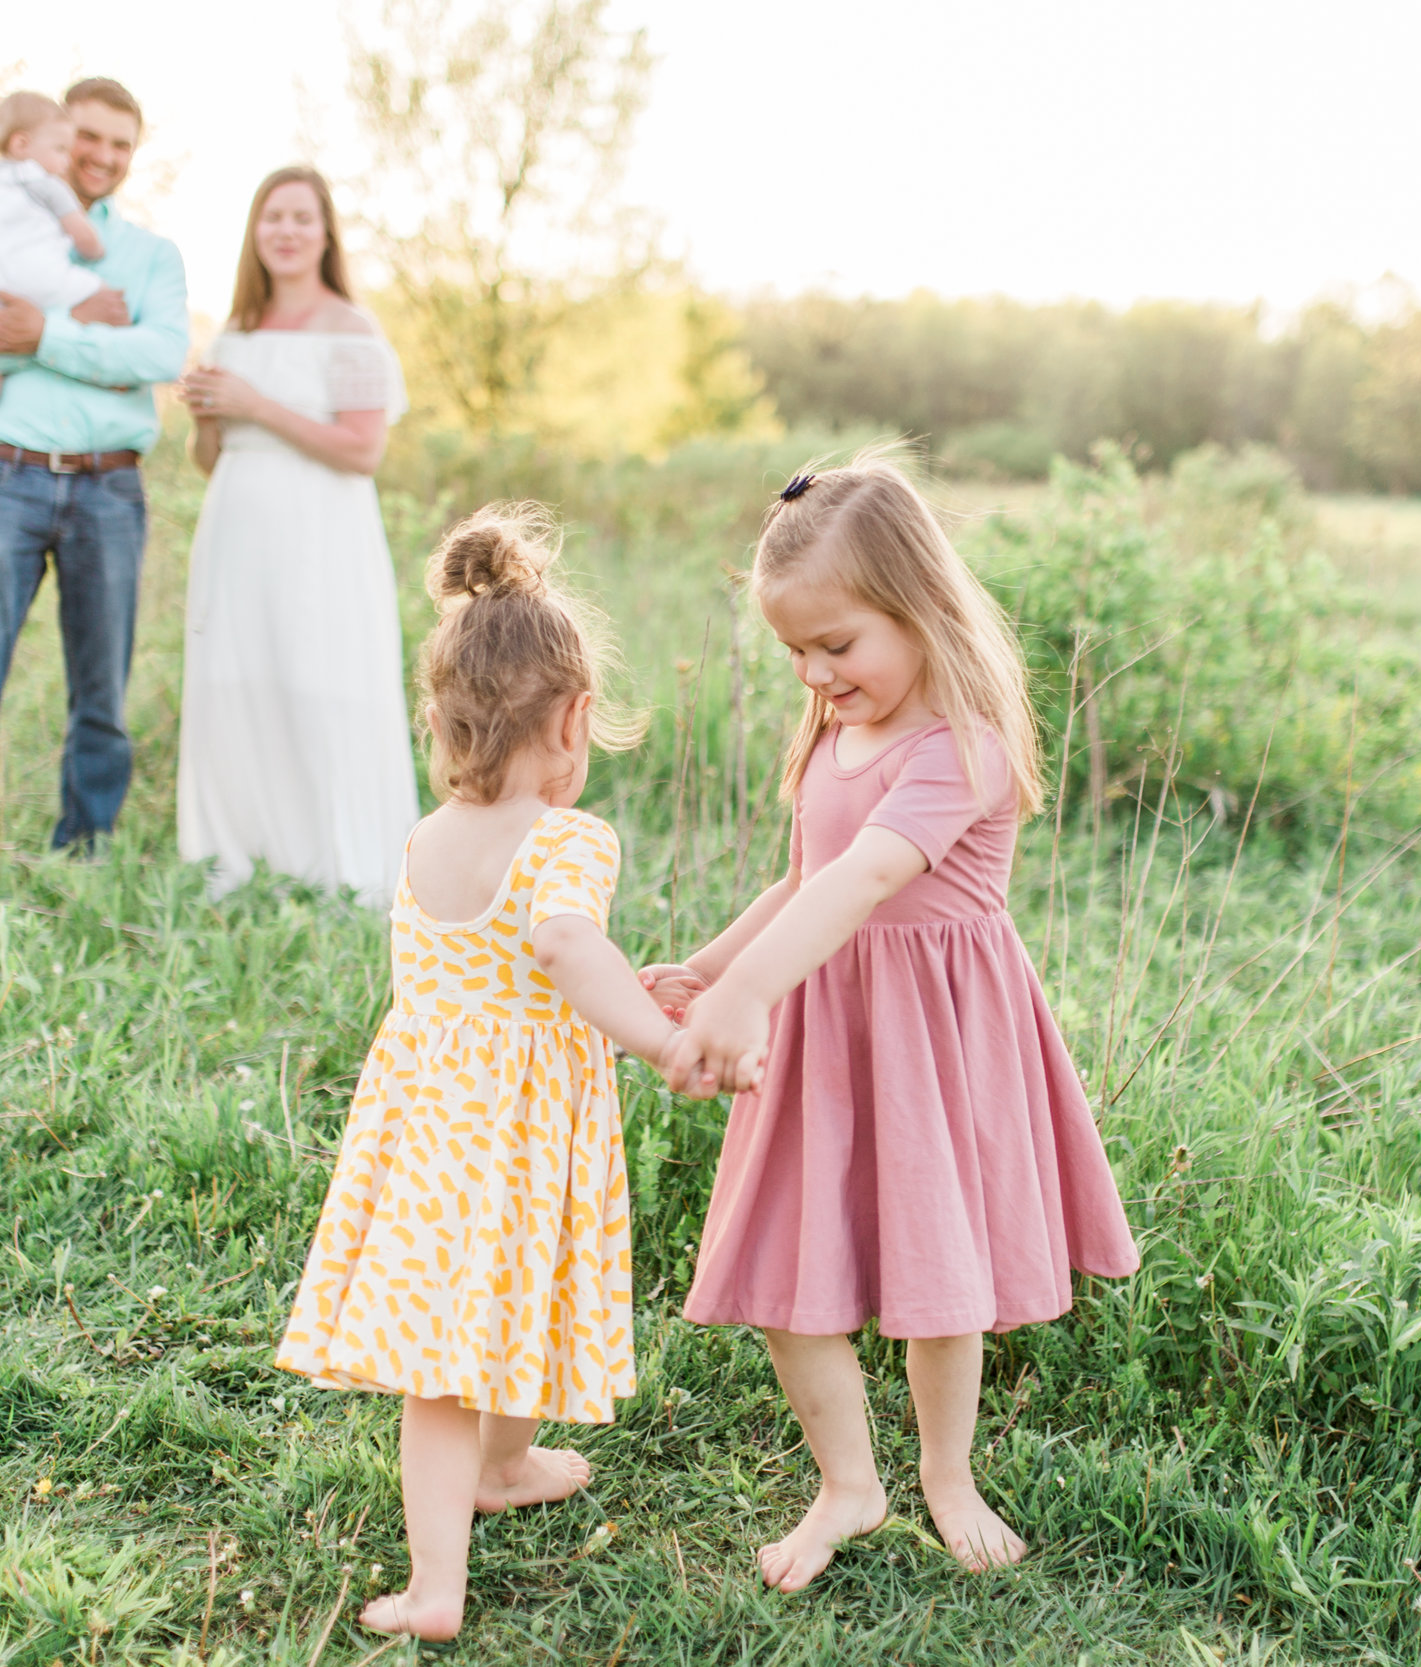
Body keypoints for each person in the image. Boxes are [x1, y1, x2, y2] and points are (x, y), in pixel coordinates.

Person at [645, 456, 1141, 1592]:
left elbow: (871, 874)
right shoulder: (832, 732)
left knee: (934, 1269)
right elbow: (806, 877)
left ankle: (947, 1474)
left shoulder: (958, 741)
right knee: (784, 1259)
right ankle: (847, 1483)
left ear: (919, 608)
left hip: (933, 1041)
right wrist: (715, 968)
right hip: (823, 1030)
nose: (816, 675)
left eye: (838, 645)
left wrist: (745, 995)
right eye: (794, 654)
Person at [275, 505, 695, 1643]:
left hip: (423, 1130)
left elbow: (522, 966)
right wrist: (655, 1038)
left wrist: (623, 984)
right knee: (477, 1337)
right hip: (513, 1133)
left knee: (462, 1327)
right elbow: (560, 948)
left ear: (446, 718)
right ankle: (436, 1584)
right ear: (572, 716)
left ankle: (500, 1475)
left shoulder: (423, 839)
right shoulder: (568, 840)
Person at [0, 77, 189, 854]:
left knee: (101, 694)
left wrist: (38, 336)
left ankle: (84, 852)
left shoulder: (148, 255)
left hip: (110, 484)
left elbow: (160, 353)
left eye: (120, 144)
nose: (101, 156)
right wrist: (89, 337)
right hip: (5, 476)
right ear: (58, 137)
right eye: (88, 137)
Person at [175, 165, 418, 900]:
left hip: (320, 532)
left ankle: (338, 866)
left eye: (301, 218)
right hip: (237, 529)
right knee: (236, 680)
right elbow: (209, 462)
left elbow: (362, 450)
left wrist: (257, 402)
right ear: (254, 233)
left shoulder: (352, 329)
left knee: (319, 677)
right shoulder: (235, 331)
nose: (285, 231)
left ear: (324, 233)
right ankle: (238, 853)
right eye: (271, 217)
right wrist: (209, 418)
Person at [0, 91, 106, 419]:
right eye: (60, 149)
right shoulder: (45, 183)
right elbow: (85, 239)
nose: (66, 160)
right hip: (42, 278)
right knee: (104, 298)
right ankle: (107, 372)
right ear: (21, 144)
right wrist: (96, 250)